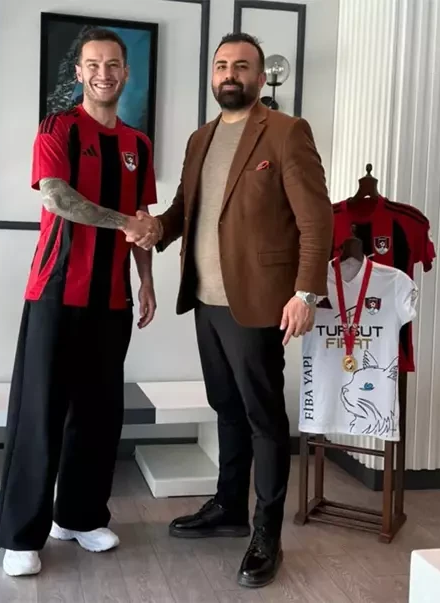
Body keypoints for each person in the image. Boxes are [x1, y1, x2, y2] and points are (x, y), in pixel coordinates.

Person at [129, 32, 334, 588]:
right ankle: (228, 507)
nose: (229, 74)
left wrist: (306, 293)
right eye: (221, 65)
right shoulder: (200, 138)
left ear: (260, 78)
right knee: (226, 407)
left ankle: (267, 533)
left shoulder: (287, 132)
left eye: (241, 66)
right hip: (206, 298)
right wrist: (155, 229)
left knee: (264, 417)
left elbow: (317, 219)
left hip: (261, 302)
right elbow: (184, 209)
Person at [0, 27, 159, 578]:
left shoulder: (139, 144)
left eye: (113, 64)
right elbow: (57, 198)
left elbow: (142, 225)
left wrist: (146, 281)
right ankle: (22, 536)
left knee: (99, 415)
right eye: (94, 64)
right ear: (79, 72)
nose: (104, 73)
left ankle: (80, 517)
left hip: (112, 299)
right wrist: (126, 222)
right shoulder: (58, 127)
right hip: (55, 291)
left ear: (126, 72)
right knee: (40, 413)